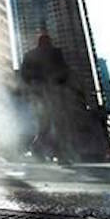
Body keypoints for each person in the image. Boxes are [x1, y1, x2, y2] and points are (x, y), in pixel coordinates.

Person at [20, 34, 84, 164]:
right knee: (48, 125)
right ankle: (45, 151)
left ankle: (58, 154)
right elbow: (25, 74)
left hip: (51, 93)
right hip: (43, 93)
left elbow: (64, 71)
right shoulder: (41, 55)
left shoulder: (47, 54)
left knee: (54, 125)